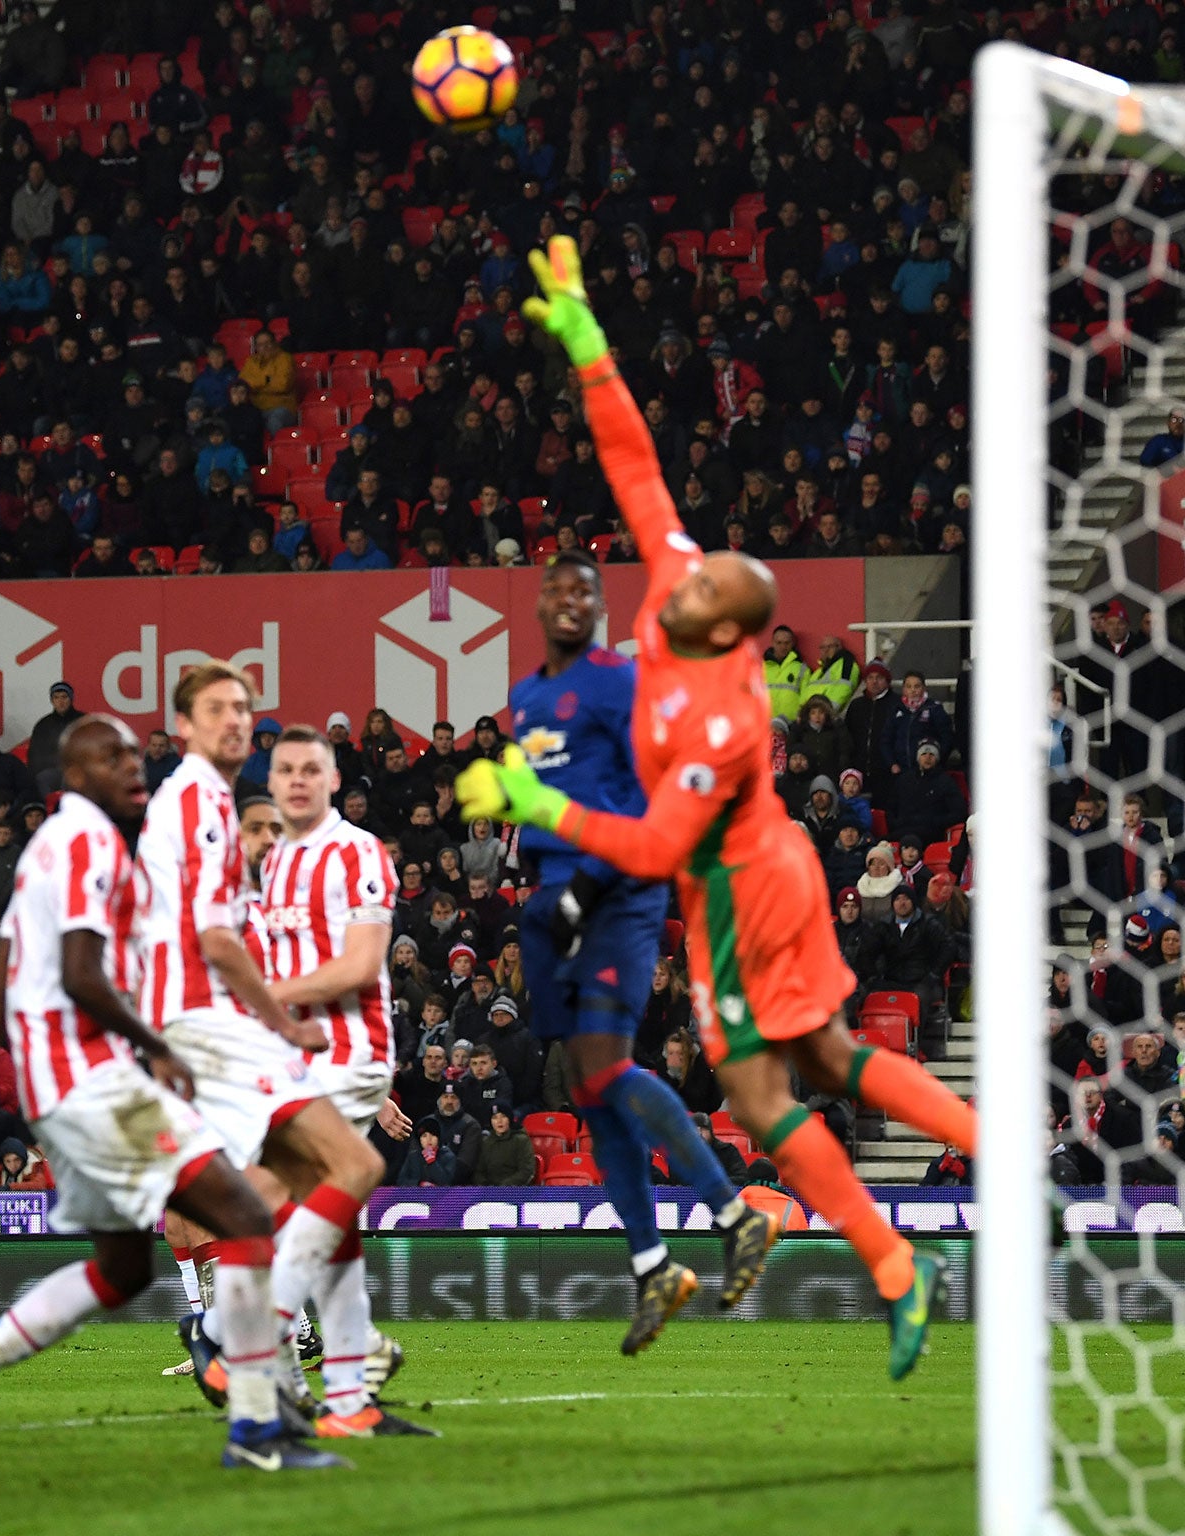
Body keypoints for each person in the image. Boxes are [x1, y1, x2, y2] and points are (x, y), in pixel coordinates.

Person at [466, 238, 981, 1381]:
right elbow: (638, 471)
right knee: (810, 1074)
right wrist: (589, 346)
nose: (680, 572)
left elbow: (652, 843)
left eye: (702, 585)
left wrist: (531, 796)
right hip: (742, 872)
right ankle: (905, 1259)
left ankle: (903, 1258)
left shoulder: (719, 720)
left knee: (779, 1082)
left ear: (725, 629)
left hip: (742, 884)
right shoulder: (675, 598)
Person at [0, 717, 346, 1471]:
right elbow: (81, 974)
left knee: (123, 1268)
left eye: (134, 754)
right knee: (245, 1217)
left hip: (58, 1092)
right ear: (72, 774)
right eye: (110, 757)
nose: (131, 766)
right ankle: (254, 1429)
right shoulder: (89, 843)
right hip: (94, 1081)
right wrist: (158, 1045)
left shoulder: (49, 847)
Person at [507, 543, 770, 1356]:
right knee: (590, 1090)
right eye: (555, 588)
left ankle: (734, 1212)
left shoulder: (619, 682)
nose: (567, 600)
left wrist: (592, 880)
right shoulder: (526, 697)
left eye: (582, 590)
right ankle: (654, 1264)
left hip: (617, 886)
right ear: (539, 602)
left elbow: (652, 786)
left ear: (598, 606)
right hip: (553, 896)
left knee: (608, 1069)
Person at [139, 664, 382, 1442]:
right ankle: (234, 1339)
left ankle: (333, 1398)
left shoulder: (240, 825)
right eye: (216, 710)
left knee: (302, 1201)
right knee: (342, 1176)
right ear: (182, 725)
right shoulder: (204, 804)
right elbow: (212, 939)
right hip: (229, 1031)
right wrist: (279, 1017)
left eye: (244, 709)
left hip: (227, 1030)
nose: (234, 722)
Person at [258, 726, 429, 1436]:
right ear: (272, 784)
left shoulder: (355, 851)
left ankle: (238, 1335)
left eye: (311, 769)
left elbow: (361, 966)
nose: (298, 780)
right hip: (293, 1059)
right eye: (285, 769)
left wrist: (267, 995)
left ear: (334, 781)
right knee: (326, 1219)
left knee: (288, 1191)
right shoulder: (273, 865)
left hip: (349, 1053)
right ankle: (348, 1400)